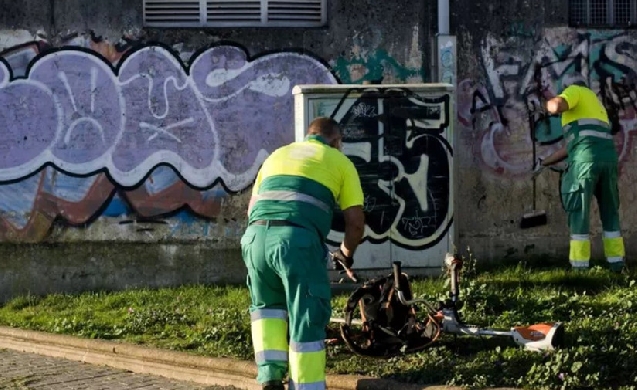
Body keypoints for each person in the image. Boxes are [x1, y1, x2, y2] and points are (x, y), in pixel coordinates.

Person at [240, 116, 365, 390]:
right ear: (336, 141)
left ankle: (270, 376)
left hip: (255, 238)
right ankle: (307, 386)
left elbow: (251, 209)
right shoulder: (339, 162)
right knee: (306, 315)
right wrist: (345, 252)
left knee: (267, 310)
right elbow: (355, 224)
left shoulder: (277, 155)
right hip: (295, 242)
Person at [539, 74, 625, 272]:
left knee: (579, 211)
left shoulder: (576, 91)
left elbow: (556, 106)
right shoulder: (596, 106)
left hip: (586, 163)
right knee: (610, 212)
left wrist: (543, 106)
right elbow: (571, 147)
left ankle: (580, 269)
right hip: (608, 161)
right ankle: (617, 265)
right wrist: (544, 162)